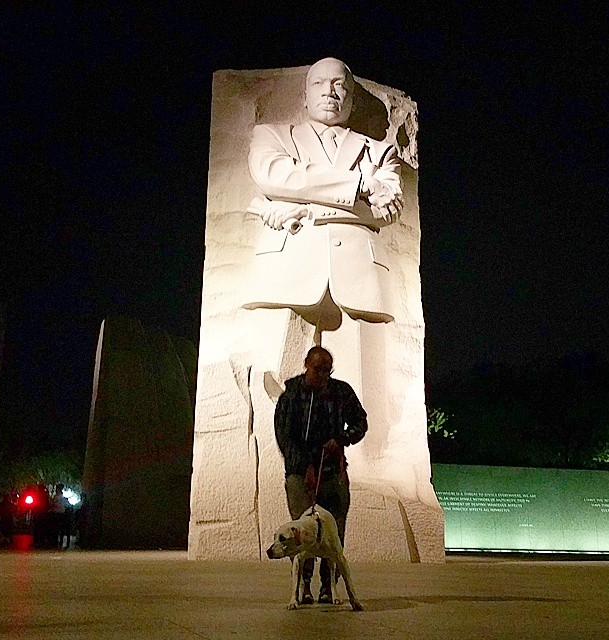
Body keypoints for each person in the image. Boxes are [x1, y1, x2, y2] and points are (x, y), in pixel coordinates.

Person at [245, 57, 403, 333]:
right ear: (305, 97)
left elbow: (387, 210)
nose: (329, 91)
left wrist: (305, 210)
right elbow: (274, 175)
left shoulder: (381, 151)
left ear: (352, 101)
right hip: (284, 268)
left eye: (339, 84)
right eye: (319, 83)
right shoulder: (272, 135)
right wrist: (360, 185)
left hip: (361, 277)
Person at [274, 346, 367, 604]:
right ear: (306, 364)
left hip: (332, 472)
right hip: (300, 474)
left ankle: (329, 586)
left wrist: (342, 439)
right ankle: (302, 586)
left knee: (334, 529)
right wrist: (304, 467)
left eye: (328, 370)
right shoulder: (291, 396)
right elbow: (284, 437)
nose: (323, 375)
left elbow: (360, 422)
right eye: (318, 369)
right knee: (300, 530)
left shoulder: (341, 392)